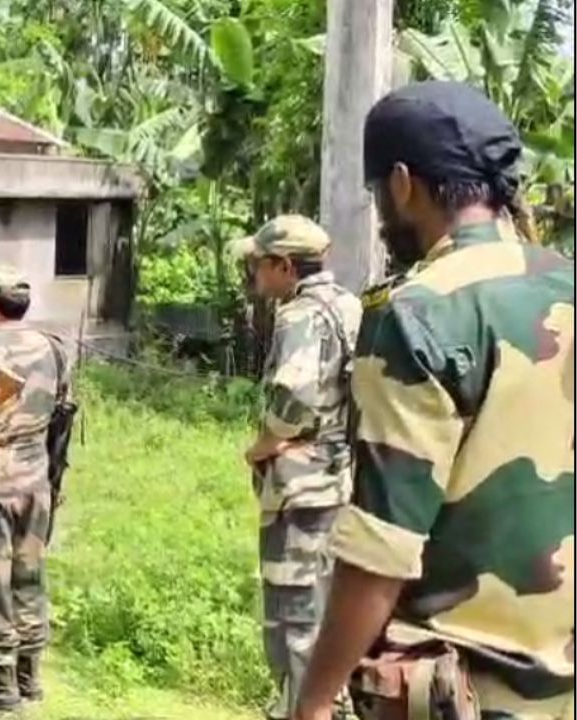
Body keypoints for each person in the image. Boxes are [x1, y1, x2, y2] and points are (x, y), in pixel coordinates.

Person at [293, 81, 575, 720]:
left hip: (461, 690)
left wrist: (311, 702)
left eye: (377, 196)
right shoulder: (564, 280)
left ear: (401, 184)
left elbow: (381, 549)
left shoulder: (420, 312)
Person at [230, 216, 360, 720]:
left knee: (293, 613)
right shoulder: (350, 306)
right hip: (338, 476)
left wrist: (262, 446)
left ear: (285, 266)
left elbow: (294, 396)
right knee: (327, 605)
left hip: (300, 486)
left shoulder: (300, 315)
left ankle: (301, 708)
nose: (255, 272)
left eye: (260, 263)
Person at [0, 265, 70, 709]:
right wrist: (55, 479)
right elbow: (64, 417)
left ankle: (2, 683)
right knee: (31, 575)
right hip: (36, 476)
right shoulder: (54, 349)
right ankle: (31, 677)